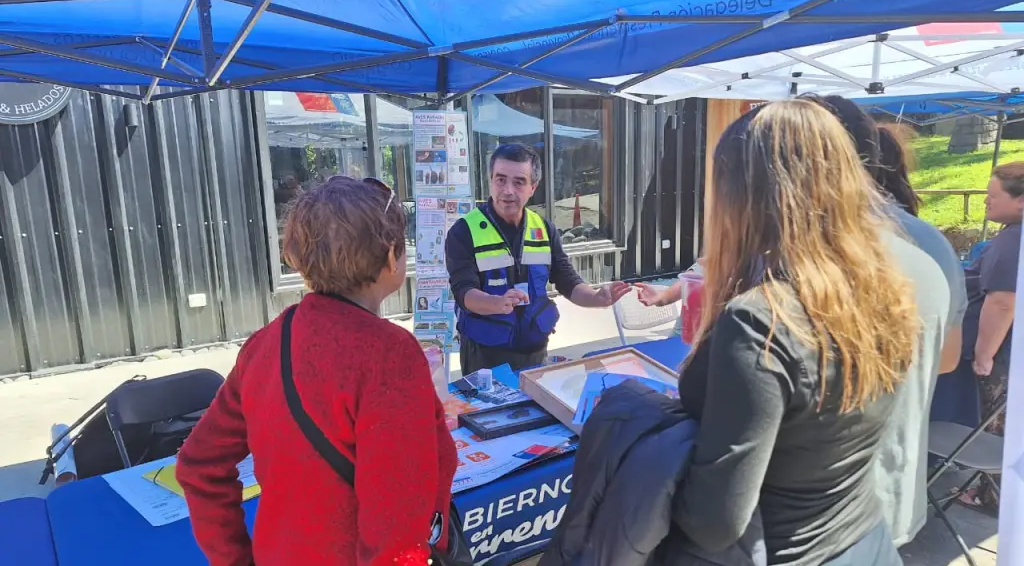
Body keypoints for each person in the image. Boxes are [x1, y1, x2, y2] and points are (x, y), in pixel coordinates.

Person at [674, 100, 932, 565]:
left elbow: (716, 522)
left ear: (742, 195)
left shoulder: (760, 321)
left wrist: (641, 472)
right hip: (867, 542)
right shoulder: (883, 289)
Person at [176, 176, 458, 566]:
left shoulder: (266, 342)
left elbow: (197, 464)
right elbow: (397, 537)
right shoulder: (389, 355)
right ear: (392, 256)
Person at [801, 94, 965, 547]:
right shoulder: (930, 244)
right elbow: (946, 359)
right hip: (892, 489)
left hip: (816, 513)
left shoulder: (807, 251)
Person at [446, 143, 630, 375]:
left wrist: (597, 297)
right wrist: (496, 303)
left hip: (535, 350)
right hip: (484, 355)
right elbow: (463, 291)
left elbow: (567, 279)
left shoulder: (544, 229)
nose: (508, 190)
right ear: (491, 181)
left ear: (533, 187)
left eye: (519, 182)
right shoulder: (464, 231)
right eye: (500, 180)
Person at [939, 161, 1024, 513]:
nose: (986, 202)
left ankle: (995, 498)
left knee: (996, 427)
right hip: (1008, 350)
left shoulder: (1011, 241)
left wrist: (984, 354)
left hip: (1000, 355)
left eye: (992, 196)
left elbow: (1003, 302)